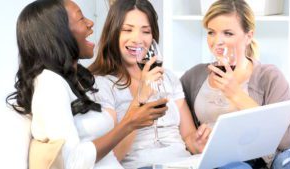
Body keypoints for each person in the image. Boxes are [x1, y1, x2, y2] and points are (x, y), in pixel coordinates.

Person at [89, 0, 253, 169]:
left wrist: (198, 142)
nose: (137, 39)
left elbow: (188, 137)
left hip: (184, 163)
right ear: (113, 33)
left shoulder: (168, 77)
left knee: (239, 167)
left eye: (145, 31)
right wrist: (141, 96)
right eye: (127, 30)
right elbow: (112, 156)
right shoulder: (101, 84)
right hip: (145, 165)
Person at [6, 0, 167, 168]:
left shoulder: (75, 81)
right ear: (59, 32)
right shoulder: (49, 84)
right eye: (81, 19)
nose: (91, 23)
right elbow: (71, 162)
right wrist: (129, 123)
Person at [180, 0, 290, 168]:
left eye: (228, 33)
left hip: (256, 162)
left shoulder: (269, 76)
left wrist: (236, 95)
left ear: (249, 36)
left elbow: (287, 141)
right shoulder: (194, 76)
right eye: (211, 32)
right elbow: (175, 124)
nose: (217, 41)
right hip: (212, 161)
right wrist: (193, 140)